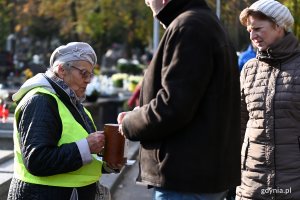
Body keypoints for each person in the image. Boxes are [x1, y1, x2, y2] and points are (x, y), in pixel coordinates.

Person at [117, 0, 241, 199]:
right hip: (200, 173)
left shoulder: (188, 27)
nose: (148, 4)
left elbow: (173, 106)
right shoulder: (203, 22)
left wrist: (130, 123)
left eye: (149, 1)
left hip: (185, 177)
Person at [7, 42, 113, 200]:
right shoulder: (40, 100)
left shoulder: (72, 103)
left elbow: (82, 157)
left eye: (90, 75)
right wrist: (86, 146)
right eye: (84, 73)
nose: (88, 80)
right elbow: (37, 160)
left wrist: (108, 163)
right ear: (61, 70)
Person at [236, 0, 300, 199]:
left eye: (258, 29)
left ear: (278, 26)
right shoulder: (249, 69)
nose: (252, 36)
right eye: (249, 30)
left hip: (294, 185)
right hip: (251, 186)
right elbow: (239, 123)